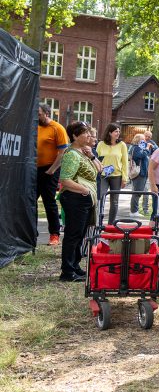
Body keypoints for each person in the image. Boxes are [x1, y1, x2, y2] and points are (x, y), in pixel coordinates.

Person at [58, 121, 100, 281]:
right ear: (75, 136)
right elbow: (65, 179)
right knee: (73, 235)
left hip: (83, 200)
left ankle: (74, 265)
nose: (89, 135)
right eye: (85, 133)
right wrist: (84, 190)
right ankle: (67, 272)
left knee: (80, 234)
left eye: (89, 132)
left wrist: (91, 156)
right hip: (75, 199)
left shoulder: (82, 152)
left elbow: (99, 169)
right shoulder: (72, 154)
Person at [37, 103, 69, 245]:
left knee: (49, 202)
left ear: (47, 113)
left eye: (38, 114)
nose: (36, 116)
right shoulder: (34, 126)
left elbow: (63, 153)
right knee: (30, 202)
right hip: (34, 170)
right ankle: (31, 233)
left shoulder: (57, 128)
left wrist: (52, 170)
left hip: (51, 169)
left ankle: (54, 234)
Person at [96, 123, 129, 226]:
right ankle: (99, 222)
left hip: (117, 176)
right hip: (103, 175)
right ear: (110, 132)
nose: (118, 133)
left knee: (114, 201)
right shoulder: (101, 144)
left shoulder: (122, 145)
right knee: (101, 197)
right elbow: (96, 159)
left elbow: (125, 162)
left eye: (119, 131)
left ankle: (111, 224)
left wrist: (125, 178)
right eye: (116, 131)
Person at [129, 134, 150, 214]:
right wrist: (147, 149)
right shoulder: (136, 148)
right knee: (137, 192)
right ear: (138, 140)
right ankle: (134, 211)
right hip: (139, 173)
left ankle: (135, 210)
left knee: (140, 192)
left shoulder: (141, 148)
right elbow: (141, 155)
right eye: (143, 139)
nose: (145, 141)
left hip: (143, 173)